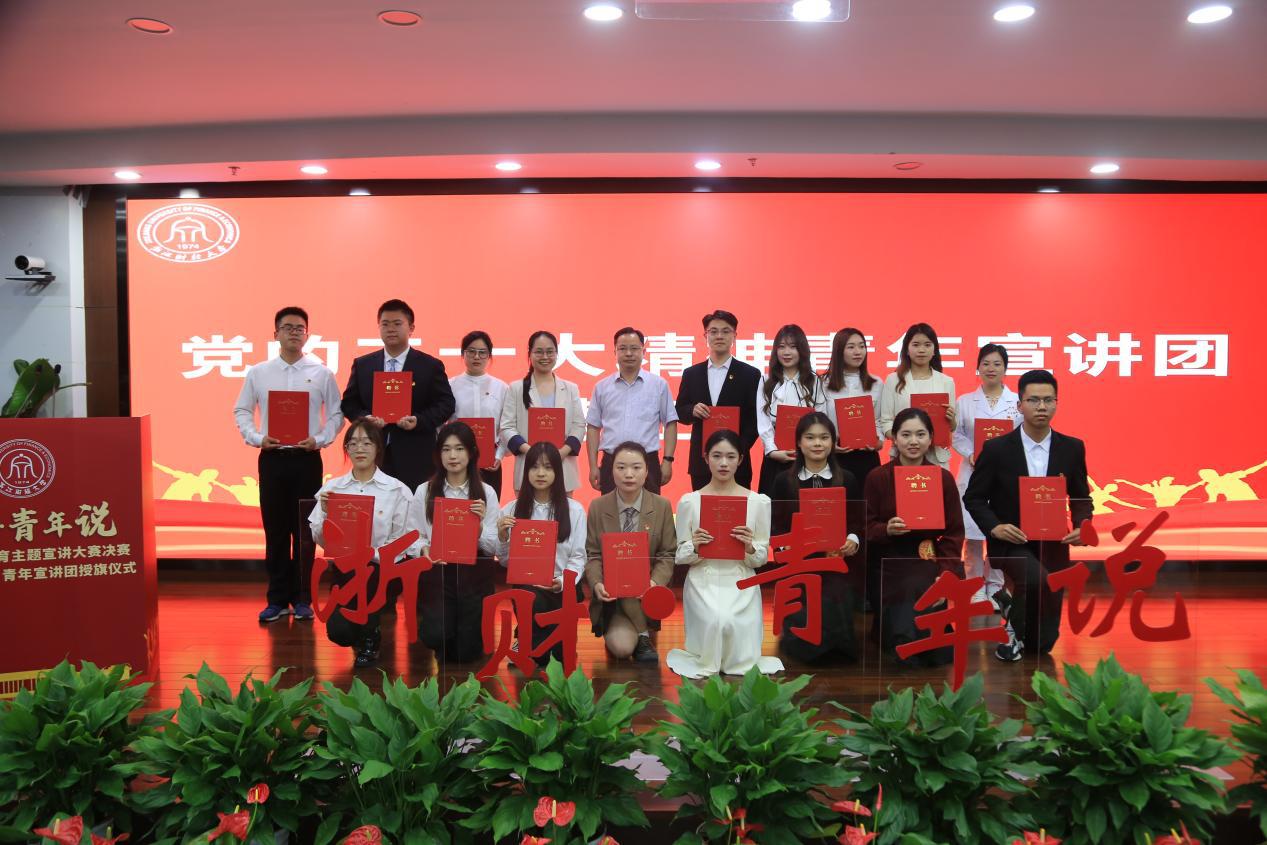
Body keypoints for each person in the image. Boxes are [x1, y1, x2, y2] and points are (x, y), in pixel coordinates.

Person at [964, 369, 1092, 662]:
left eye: (1048, 400)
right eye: (1033, 400)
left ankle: (1014, 616)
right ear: (1019, 405)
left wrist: (1083, 525)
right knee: (1036, 580)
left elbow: (1081, 496)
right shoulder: (996, 449)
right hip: (1011, 542)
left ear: (1057, 403)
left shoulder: (1072, 448)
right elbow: (974, 498)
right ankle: (1011, 630)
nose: (1041, 407)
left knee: (1041, 644)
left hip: (1053, 543)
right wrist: (995, 527)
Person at [233, 306, 343, 624]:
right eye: (288, 327)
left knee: (305, 531)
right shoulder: (259, 372)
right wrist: (257, 437)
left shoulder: (322, 373)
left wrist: (319, 439)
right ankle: (277, 598)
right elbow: (242, 410)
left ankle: (303, 598)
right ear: (276, 334)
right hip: (273, 458)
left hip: (307, 459)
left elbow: (336, 414)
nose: (294, 333)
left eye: (300, 328)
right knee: (276, 530)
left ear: (307, 334)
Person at [666, 429, 782, 679]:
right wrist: (695, 546)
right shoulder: (689, 501)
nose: (723, 463)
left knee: (729, 619)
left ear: (741, 460)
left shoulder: (758, 502)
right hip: (703, 577)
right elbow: (679, 555)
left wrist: (750, 547)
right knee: (717, 619)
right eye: (717, 456)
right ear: (705, 458)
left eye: (730, 457)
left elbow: (761, 558)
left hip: (741, 578)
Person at [864, 408, 965, 666]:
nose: (913, 441)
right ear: (894, 438)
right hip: (887, 558)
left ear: (931, 438)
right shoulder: (877, 477)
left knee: (919, 582)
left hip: (925, 555)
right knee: (904, 588)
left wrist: (945, 573)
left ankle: (910, 641)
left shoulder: (943, 478)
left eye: (920, 434)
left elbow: (954, 533)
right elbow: (865, 526)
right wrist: (886, 529)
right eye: (906, 434)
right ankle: (903, 640)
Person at [309, 420, 413, 668]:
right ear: (346, 449)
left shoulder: (397, 490)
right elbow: (319, 539)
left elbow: (403, 541)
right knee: (339, 632)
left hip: (383, 570)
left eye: (367, 443)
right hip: (346, 571)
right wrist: (326, 514)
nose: (360, 449)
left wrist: (370, 554)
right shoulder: (333, 488)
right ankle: (362, 630)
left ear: (378, 448)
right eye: (353, 443)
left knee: (368, 575)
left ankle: (370, 636)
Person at [770, 412, 864, 663]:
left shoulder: (847, 479)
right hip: (799, 563)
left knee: (836, 592)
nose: (817, 443)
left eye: (824, 437)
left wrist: (852, 539)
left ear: (833, 441)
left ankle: (837, 648)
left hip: (835, 559)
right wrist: (786, 545)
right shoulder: (784, 481)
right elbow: (776, 524)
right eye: (810, 438)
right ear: (798, 442)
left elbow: (857, 521)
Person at [407, 421, 500, 663]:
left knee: (466, 653)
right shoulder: (425, 491)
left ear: (471, 452)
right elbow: (412, 535)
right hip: (438, 573)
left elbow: (494, 547)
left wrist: (479, 527)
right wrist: (423, 549)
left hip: (473, 576)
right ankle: (442, 630)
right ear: (438, 454)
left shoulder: (487, 493)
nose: (453, 456)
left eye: (459, 449)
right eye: (446, 449)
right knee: (435, 635)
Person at [340, 299, 456, 491]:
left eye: (397, 323)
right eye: (385, 324)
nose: (391, 329)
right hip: (372, 452)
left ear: (411, 328)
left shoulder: (430, 365)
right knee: (375, 505)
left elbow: (446, 404)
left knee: (415, 506)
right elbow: (349, 404)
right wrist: (366, 419)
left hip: (416, 454)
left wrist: (419, 420)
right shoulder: (363, 365)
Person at [584, 441, 677, 662]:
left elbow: (667, 554)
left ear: (647, 471)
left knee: (628, 644)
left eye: (636, 467)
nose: (628, 474)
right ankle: (642, 633)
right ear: (611, 470)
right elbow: (593, 554)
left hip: (645, 596)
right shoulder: (598, 507)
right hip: (612, 598)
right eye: (621, 467)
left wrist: (654, 583)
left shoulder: (662, 505)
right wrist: (597, 583)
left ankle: (642, 634)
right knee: (623, 649)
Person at [496, 442, 587, 665]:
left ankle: (529, 639)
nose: (540, 473)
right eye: (534, 467)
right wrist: (503, 537)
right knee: (540, 653)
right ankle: (524, 639)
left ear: (558, 472)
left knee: (558, 657)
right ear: (526, 471)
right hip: (529, 588)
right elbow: (506, 562)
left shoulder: (574, 510)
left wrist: (561, 582)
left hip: (562, 587)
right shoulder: (511, 509)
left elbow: (578, 557)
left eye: (548, 467)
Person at [950, 343, 1022, 608]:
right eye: (986, 363)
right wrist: (970, 453)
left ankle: (995, 585)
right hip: (973, 473)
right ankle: (974, 585)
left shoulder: (1017, 402)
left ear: (1005, 368)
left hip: (1004, 477)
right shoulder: (965, 401)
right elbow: (955, 434)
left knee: (999, 533)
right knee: (972, 535)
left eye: (997, 364)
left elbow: (1022, 436)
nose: (991, 369)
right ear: (978, 367)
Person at [674, 310, 762, 491]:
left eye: (725, 331)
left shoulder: (750, 374)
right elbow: (680, 411)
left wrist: (738, 450)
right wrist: (692, 410)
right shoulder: (691, 373)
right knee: (702, 507)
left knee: (737, 508)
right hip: (701, 461)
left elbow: (755, 419)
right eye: (713, 331)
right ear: (705, 335)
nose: (719, 336)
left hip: (737, 462)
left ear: (734, 335)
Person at [585, 327, 679, 495]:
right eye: (622, 348)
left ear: (643, 351)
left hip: (647, 461)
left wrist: (668, 460)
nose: (629, 353)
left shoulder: (658, 385)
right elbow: (593, 427)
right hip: (611, 462)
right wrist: (593, 466)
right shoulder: (602, 387)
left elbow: (670, 423)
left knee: (650, 510)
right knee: (610, 510)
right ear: (615, 351)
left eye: (634, 348)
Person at [498, 331, 587, 494]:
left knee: (563, 511)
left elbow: (579, 425)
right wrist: (531, 451)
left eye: (550, 352)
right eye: (539, 352)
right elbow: (507, 427)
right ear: (530, 354)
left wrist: (561, 453)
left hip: (563, 466)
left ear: (557, 354)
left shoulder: (570, 388)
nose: (545, 356)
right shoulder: (516, 388)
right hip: (528, 465)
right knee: (527, 511)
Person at [755, 324, 827, 497]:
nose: (786, 352)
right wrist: (772, 450)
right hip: (775, 456)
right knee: (773, 506)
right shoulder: (766, 381)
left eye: (793, 347)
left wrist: (809, 448)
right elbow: (763, 420)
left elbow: (821, 417)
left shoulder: (814, 381)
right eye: (781, 347)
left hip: (807, 457)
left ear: (802, 350)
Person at [879, 323, 957, 470]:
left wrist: (951, 420)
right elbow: (886, 421)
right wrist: (904, 440)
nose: (921, 350)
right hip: (902, 456)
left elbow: (952, 427)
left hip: (936, 457)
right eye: (915, 345)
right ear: (907, 349)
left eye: (927, 345)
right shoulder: (893, 380)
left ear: (934, 350)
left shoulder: (946, 382)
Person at [821, 327, 885, 485]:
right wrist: (829, 444)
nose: (858, 352)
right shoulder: (823, 383)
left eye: (862, 346)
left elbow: (878, 420)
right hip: (833, 455)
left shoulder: (876, 383)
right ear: (839, 351)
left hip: (866, 456)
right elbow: (819, 420)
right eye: (851, 347)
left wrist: (878, 441)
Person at [448, 330, 509, 497]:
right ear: (463, 354)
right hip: (456, 460)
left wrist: (499, 455)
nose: (476, 357)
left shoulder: (501, 388)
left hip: (490, 463)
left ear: (489, 356)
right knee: (456, 507)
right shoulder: (450, 385)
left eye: (482, 352)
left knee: (488, 507)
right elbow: (441, 425)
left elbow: (507, 425)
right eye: (471, 351)